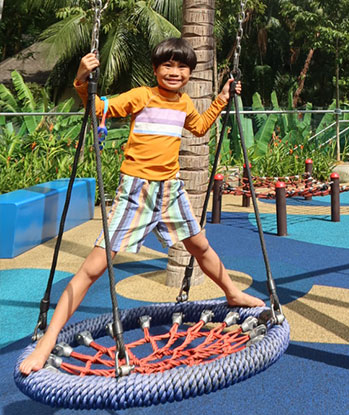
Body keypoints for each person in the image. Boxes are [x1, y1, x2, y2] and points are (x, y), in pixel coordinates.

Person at [19, 37, 264, 375]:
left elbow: (201, 125)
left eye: (182, 67)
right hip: (137, 192)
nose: (174, 72)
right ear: (155, 69)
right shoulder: (141, 96)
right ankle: (47, 342)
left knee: (202, 247)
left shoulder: (185, 104)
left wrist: (222, 98)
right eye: (168, 65)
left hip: (172, 191)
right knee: (93, 268)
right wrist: (81, 79)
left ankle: (232, 293)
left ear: (190, 73)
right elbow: (96, 106)